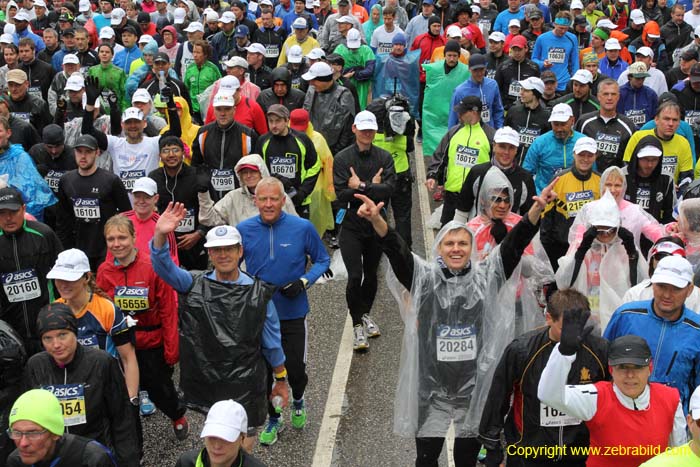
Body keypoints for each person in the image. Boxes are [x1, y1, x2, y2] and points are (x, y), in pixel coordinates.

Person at [355, 172, 556, 466]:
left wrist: (535, 211)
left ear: (472, 249)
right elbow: (397, 252)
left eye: (463, 243)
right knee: (426, 459)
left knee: (466, 459)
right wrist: (376, 220)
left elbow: (513, 247)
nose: (456, 249)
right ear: (439, 248)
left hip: (472, 388)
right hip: (431, 386)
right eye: (449, 244)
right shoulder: (423, 278)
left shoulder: (486, 277)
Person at [150, 204, 288, 453]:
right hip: (208, 378)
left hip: (246, 381)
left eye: (228, 249)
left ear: (240, 252)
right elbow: (162, 267)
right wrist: (160, 235)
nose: (223, 255)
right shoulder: (191, 284)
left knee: (243, 440)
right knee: (217, 439)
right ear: (209, 255)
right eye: (216, 250)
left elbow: (272, 341)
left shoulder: (259, 293)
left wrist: (280, 378)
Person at [237, 176, 329, 444]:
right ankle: (274, 419)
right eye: (262, 199)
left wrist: (303, 281)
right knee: (265, 374)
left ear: (283, 200)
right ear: (255, 201)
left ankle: (298, 398)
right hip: (260, 315)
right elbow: (231, 265)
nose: (268, 204)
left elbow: (323, 259)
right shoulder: (244, 229)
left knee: (295, 370)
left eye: (273, 198)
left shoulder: (302, 228)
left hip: (293, 313)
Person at [479, 289, 609, 467]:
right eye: (565, 329)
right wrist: (491, 445)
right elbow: (498, 396)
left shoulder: (600, 350)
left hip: (579, 453)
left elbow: (612, 400)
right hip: (529, 452)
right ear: (549, 318)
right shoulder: (522, 350)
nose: (573, 336)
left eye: (579, 327)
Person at [96, 215, 188, 439]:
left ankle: (177, 414)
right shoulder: (104, 271)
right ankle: (131, 441)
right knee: (125, 396)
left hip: (151, 343)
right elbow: (100, 310)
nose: (117, 244)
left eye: (122, 237)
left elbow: (168, 309)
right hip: (120, 344)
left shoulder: (152, 267)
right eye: (111, 239)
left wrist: (171, 349)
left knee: (160, 390)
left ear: (134, 237)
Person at [538, 329, 687, 466]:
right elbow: (548, 395)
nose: (630, 375)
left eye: (637, 367)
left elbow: (678, 455)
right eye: (622, 367)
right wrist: (563, 354)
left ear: (650, 368)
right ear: (611, 369)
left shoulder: (670, 398)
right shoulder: (595, 396)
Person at [25, 304, 140, 466]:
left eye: (62, 335)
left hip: (94, 455)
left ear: (75, 333)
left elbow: (122, 419)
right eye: (47, 338)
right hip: (52, 457)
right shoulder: (36, 365)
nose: (56, 344)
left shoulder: (101, 362)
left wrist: (129, 462)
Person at [604, 255, 700, 410]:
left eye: (676, 288)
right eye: (662, 286)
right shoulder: (626, 316)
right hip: (622, 413)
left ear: (689, 290)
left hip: (673, 419)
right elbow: (602, 363)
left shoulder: (696, 329)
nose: (667, 295)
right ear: (652, 284)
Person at [333, 111, 395, 351]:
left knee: (371, 275)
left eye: (371, 130)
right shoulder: (342, 158)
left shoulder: (385, 157)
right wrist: (373, 187)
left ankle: (365, 314)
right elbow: (341, 194)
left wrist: (360, 185)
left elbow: (389, 190)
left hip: (376, 225)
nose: (367, 133)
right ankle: (357, 324)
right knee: (355, 276)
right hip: (351, 224)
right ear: (354, 129)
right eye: (363, 129)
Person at [55, 134, 132, 271]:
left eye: (88, 152)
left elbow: (127, 215)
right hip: (78, 250)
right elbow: (63, 220)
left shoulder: (111, 181)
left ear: (97, 153)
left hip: (106, 249)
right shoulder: (66, 180)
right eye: (79, 151)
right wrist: (64, 250)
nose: (83, 156)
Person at [0, 186, 62, 355]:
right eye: (2, 213)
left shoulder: (43, 234)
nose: (8, 218)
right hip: (9, 330)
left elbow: (63, 275)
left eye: (13, 211)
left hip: (47, 326)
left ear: (24, 209)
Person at [6, 389, 117, 467]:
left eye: (33, 433)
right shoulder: (16, 460)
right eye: (16, 432)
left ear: (55, 433)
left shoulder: (92, 458)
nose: (23, 443)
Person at [427, 95, 493, 226]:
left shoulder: (490, 136)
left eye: (462, 112)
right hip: (452, 196)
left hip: (477, 199)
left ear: (474, 112)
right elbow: (440, 156)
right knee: (446, 238)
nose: (459, 115)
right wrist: (432, 175)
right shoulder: (453, 132)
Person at [149, 135, 210, 270]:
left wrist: (199, 233)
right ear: (159, 155)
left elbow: (210, 208)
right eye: (166, 151)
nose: (171, 155)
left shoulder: (197, 175)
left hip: (194, 242)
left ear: (183, 152)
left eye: (175, 150)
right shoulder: (153, 178)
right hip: (165, 243)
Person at [539, 136, 600, 270]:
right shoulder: (559, 179)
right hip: (561, 246)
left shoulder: (600, 181)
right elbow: (546, 215)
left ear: (595, 156)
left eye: (589, 155)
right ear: (574, 154)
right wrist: (546, 246)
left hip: (591, 247)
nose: (585, 159)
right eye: (581, 154)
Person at [454, 126, 536, 222]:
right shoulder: (477, 172)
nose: (506, 152)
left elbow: (529, 217)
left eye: (511, 148)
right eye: (502, 146)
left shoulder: (525, 178)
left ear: (516, 150)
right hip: (478, 233)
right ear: (494, 146)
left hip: (511, 235)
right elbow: (462, 210)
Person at [191, 91, 259, 201]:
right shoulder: (202, 133)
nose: (223, 113)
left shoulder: (248, 135)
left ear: (234, 110)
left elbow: (257, 168)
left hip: (239, 198)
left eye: (227, 109)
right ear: (213, 111)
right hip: (210, 197)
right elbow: (195, 164)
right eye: (219, 109)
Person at [254, 104, 320, 217]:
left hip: (299, 200)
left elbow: (315, 166)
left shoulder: (302, 139)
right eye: (270, 121)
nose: (274, 125)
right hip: (271, 201)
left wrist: (303, 192)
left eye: (278, 121)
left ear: (287, 121)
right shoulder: (263, 141)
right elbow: (257, 168)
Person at [623, 100, 694, 189]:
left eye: (675, 120)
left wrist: (678, 189)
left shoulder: (683, 143)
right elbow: (626, 168)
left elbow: (687, 177)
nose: (671, 124)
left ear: (679, 123)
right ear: (656, 120)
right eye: (666, 119)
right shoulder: (638, 137)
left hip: (669, 193)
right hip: (639, 189)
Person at [176, 399, 267, 467]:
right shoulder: (186, 463)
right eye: (212, 436)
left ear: (242, 438)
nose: (216, 446)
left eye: (226, 439)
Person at [421, 40, 470, 160]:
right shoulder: (433, 69)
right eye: (449, 55)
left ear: (459, 56)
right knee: (434, 151)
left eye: (455, 56)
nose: (452, 59)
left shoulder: (466, 71)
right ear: (444, 55)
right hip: (434, 117)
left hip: (455, 116)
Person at [576, 79, 636, 172]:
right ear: (599, 96)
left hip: (616, 181)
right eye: (605, 94)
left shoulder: (628, 125)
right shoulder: (584, 122)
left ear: (618, 97)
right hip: (589, 178)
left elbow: (631, 159)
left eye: (613, 94)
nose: (609, 98)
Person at [523, 103, 584, 194]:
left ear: (572, 121)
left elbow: (592, 173)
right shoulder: (540, 143)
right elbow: (526, 173)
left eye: (563, 124)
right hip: (545, 197)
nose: (559, 129)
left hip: (574, 197)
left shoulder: (582, 141)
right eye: (555, 124)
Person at [303, 61, 355, 155]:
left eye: (314, 80)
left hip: (333, 149)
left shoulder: (343, 95)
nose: (311, 83)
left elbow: (347, 130)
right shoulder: (312, 90)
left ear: (325, 80)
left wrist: (337, 152)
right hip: (311, 145)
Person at [622, 135, 675, 224]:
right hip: (626, 229)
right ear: (637, 158)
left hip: (655, 230)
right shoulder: (622, 176)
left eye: (654, 160)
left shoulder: (666, 178)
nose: (649, 164)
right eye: (645, 159)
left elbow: (670, 212)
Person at [448, 53, 504, 129]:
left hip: (489, 134)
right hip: (469, 135)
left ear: (485, 68)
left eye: (482, 69)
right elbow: (453, 118)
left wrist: (498, 131)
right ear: (469, 69)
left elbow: (498, 111)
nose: (479, 73)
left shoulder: (493, 85)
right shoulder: (460, 91)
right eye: (475, 70)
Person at [503, 77, 550, 167]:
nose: (521, 93)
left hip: (534, 167)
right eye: (522, 89)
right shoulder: (513, 111)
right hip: (511, 165)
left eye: (526, 91)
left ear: (535, 94)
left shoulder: (546, 116)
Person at [531, 12, 579, 92]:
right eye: (560, 28)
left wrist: (575, 80)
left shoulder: (572, 38)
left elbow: (575, 61)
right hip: (546, 82)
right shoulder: (542, 38)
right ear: (554, 24)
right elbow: (533, 59)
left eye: (566, 29)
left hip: (564, 83)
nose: (563, 31)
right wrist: (543, 64)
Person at [494, 35, 540, 111]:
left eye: (519, 50)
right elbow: (497, 88)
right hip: (507, 108)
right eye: (514, 50)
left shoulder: (533, 67)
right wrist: (504, 104)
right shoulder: (503, 67)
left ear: (526, 49)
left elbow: (537, 89)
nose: (517, 53)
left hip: (527, 107)